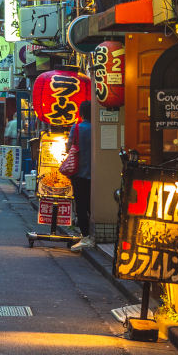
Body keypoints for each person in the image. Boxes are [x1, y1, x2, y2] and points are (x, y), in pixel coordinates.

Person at [69, 103, 94, 251]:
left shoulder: (77, 128)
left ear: (81, 113)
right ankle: (93, 234)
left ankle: (85, 237)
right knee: (92, 204)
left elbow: (69, 148)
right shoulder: (97, 128)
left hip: (79, 173)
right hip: (96, 173)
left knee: (81, 205)